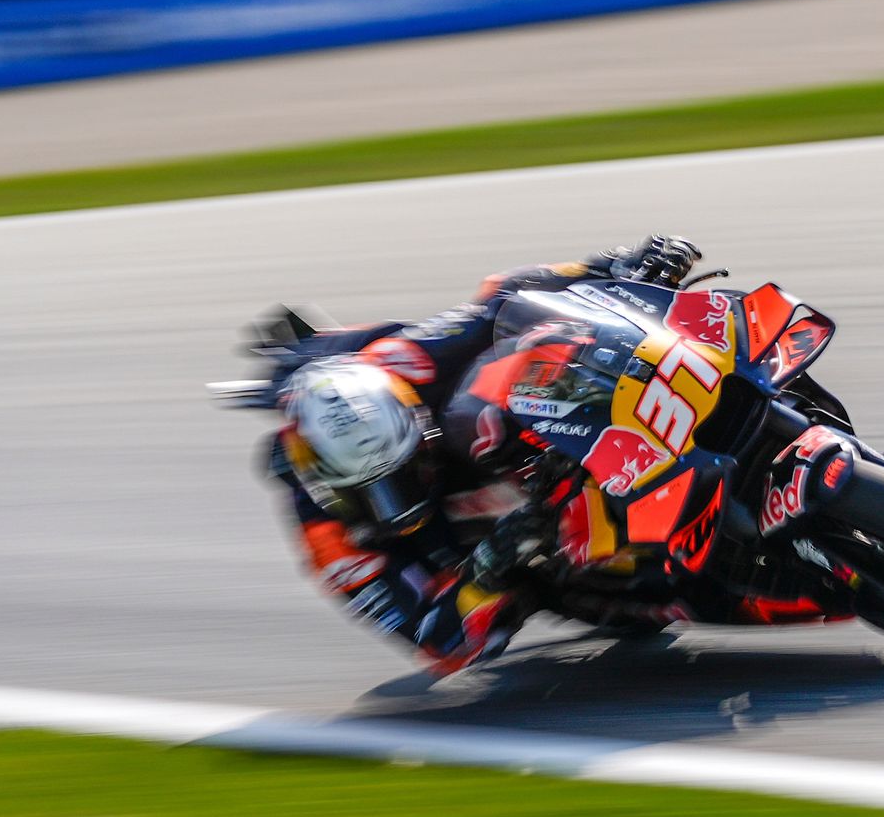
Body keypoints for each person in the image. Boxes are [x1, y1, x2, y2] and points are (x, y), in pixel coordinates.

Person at [252, 237, 703, 674]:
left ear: (413, 415)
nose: (401, 496)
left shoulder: (406, 360)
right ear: (326, 485)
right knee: (549, 603)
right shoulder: (331, 543)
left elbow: (503, 296)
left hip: (482, 437)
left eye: (406, 471)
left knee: (549, 357)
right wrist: (488, 568)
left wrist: (612, 265)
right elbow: (436, 644)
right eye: (377, 489)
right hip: (482, 562)